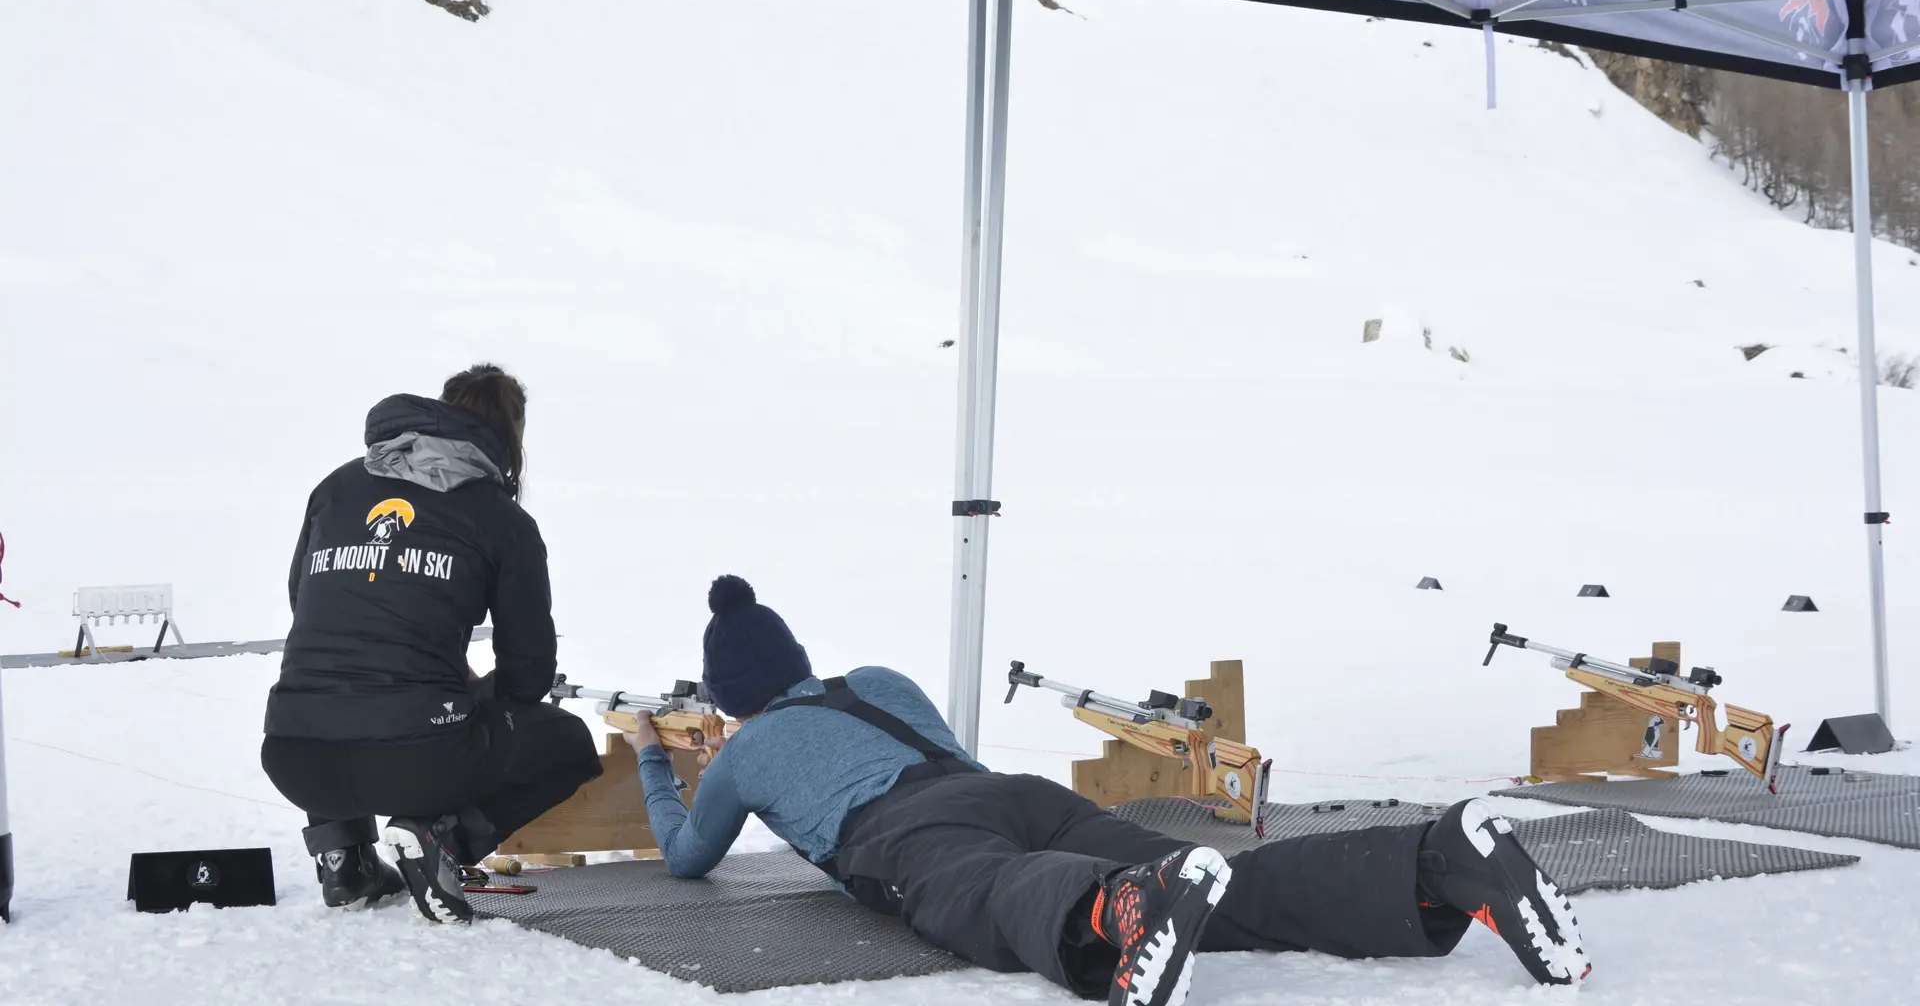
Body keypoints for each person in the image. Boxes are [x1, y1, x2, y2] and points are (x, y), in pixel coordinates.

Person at [623, 575, 1588, 1006]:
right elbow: (946, 760)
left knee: (989, 895)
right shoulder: (875, 682)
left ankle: (1115, 912)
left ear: (733, 702)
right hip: (1008, 792)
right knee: (1227, 884)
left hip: (906, 835)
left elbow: (686, 859)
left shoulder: (747, 753)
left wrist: (655, 759)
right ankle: (1435, 861)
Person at [260, 364, 602, 924]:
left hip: (293, 753)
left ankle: (343, 855)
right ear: (510, 435)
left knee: (337, 694)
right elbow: (530, 671)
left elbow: (306, 603)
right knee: (568, 742)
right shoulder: (500, 517)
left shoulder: (337, 487)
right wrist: (475, 694)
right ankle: (444, 837)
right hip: (419, 761)